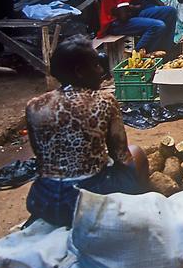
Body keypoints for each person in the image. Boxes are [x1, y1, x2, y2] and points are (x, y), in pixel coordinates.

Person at [25, 35, 148, 227]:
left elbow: (41, 157)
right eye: (96, 65)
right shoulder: (104, 101)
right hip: (86, 201)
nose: (101, 71)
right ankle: (138, 217)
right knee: (137, 153)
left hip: (43, 200)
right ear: (80, 71)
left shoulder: (34, 106)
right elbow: (122, 156)